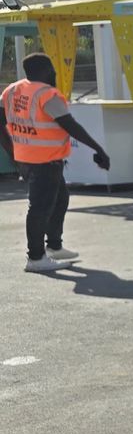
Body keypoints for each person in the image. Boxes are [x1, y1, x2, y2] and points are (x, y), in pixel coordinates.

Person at [3, 51, 111, 274]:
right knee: (40, 207)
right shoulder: (47, 94)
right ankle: (35, 258)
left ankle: (54, 246)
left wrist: (13, 153)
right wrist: (98, 149)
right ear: (43, 71)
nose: (54, 73)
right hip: (45, 160)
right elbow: (70, 126)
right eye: (51, 69)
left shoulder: (12, 91)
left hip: (29, 158)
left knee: (60, 199)